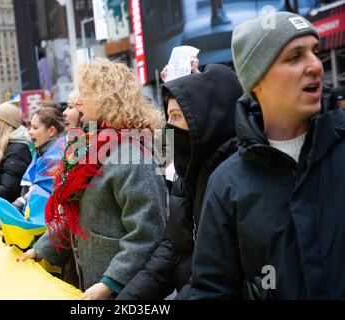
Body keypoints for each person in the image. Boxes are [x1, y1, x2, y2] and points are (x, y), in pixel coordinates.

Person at [190, 12, 345, 299]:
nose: (315, 66)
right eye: (294, 57)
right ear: (257, 80)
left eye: (315, 52)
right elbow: (212, 289)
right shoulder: (226, 184)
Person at [18, 58, 167, 300]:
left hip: (124, 292)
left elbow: (147, 232)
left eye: (84, 94)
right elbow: (75, 214)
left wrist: (111, 282)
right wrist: (40, 250)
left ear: (106, 98)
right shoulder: (90, 145)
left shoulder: (134, 154)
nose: (76, 101)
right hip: (95, 285)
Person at [117, 64, 243, 300]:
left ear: (204, 117)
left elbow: (221, 277)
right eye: (169, 116)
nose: (169, 127)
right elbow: (173, 249)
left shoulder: (236, 180)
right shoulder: (187, 174)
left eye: (177, 116)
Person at [0, 105, 66, 234]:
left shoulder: (54, 157)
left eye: (35, 127)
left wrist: (1, 221)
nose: (29, 131)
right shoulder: (41, 152)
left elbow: (32, 196)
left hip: (43, 231)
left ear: (51, 131)